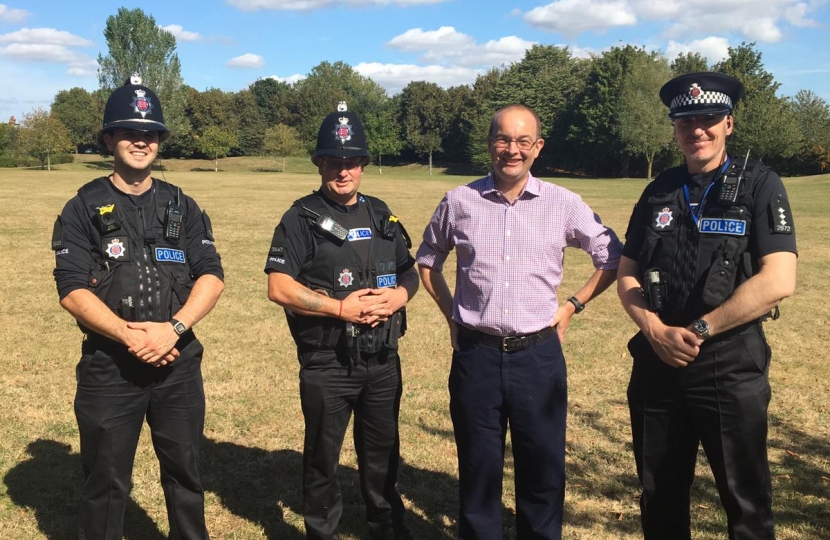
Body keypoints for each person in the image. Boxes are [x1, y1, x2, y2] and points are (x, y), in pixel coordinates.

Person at [416, 104, 623, 540]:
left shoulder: (564, 204)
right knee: (477, 471)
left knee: (543, 472)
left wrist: (573, 304)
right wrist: (451, 314)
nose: (513, 150)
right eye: (504, 139)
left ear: (538, 147)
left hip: (539, 358)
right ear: (490, 143)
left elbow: (612, 257)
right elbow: (428, 261)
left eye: (523, 141)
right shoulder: (458, 201)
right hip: (476, 356)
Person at [617, 72, 798, 539]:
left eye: (709, 119)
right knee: (659, 497)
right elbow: (627, 271)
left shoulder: (761, 185)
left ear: (729, 124)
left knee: (746, 503)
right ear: (675, 129)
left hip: (728, 364)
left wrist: (699, 328)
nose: (697, 129)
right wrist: (653, 329)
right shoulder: (660, 189)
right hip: (658, 360)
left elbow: (779, 280)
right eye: (685, 121)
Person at [52, 75, 225, 540]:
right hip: (111, 367)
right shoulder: (83, 206)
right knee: (106, 483)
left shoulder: (181, 204)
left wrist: (173, 329)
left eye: (149, 133)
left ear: (159, 141)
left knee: (186, 475)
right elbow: (71, 289)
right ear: (109, 139)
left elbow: (211, 274)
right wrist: (130, 336)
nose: (140, 141)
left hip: (178, 363)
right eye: (129, 132)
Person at [264, 102, 419, 540]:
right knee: (322, 461)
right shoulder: (300, 218)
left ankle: (386, 529)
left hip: (384, 360)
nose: (343, 171)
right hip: (328, 362)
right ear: (320, 164)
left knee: (383, 457)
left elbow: (409, 269)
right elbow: (279, 286)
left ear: (364, 165)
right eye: (334, 161)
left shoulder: (380, 212)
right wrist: (338, 308)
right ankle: (322, 532)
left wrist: (399, 295)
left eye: (352, 162)